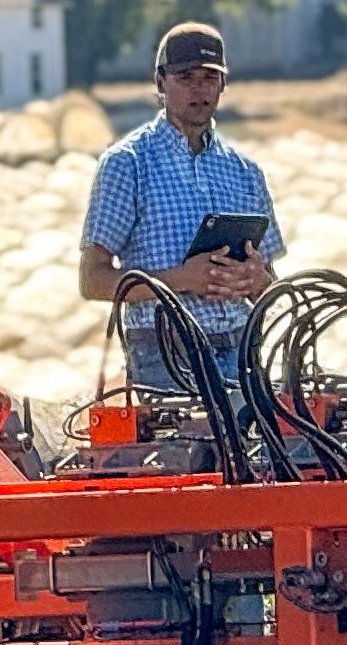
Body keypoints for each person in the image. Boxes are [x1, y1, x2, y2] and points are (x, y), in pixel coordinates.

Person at [81, 22, 282, 395]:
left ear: (223, 85)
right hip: (165, 352)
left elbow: (270, 282)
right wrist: (180, 280)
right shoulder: (128, 164)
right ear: (161, 83)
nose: (199, 89)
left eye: (209, 78)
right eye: (186, 77)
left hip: (241, 347)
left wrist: (258, 282)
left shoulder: (244, 171)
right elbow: (92, 280)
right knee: (187, 453)